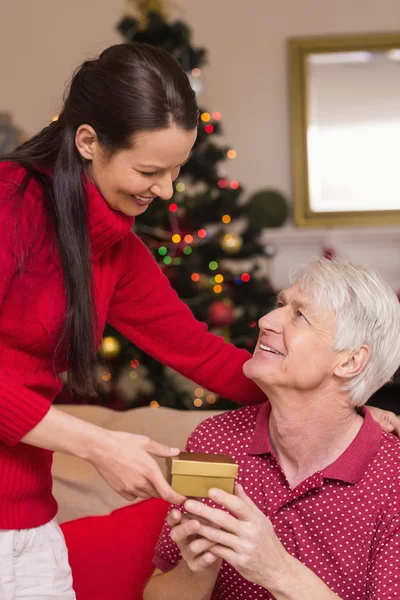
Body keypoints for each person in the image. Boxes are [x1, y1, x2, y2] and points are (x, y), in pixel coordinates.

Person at [0, 42, 397, 598]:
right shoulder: (7, 205)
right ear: (88, 141)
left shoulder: (117, 249)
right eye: (149, 170)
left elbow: (201, 353)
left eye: (176, 170)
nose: (165, 190)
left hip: (25, 519)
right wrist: (97, 444)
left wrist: (342, 404)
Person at [146, 258, 400, 600]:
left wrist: (275, 569)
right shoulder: (215, 440)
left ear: (350, 361)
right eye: (280, 305)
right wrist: (197, 568)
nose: (265, 320)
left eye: (300, 315)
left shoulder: (392, 478)